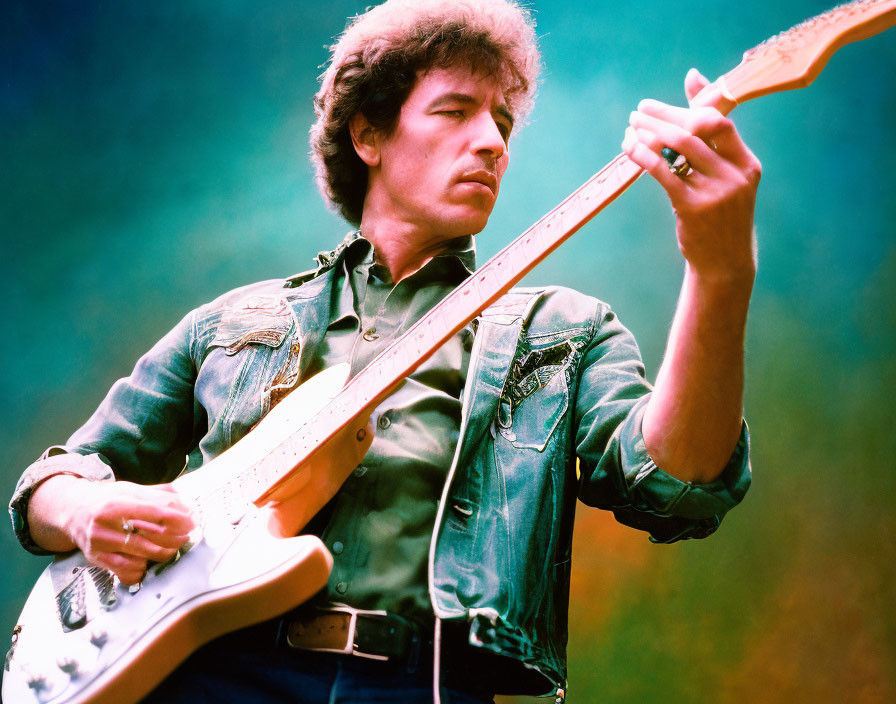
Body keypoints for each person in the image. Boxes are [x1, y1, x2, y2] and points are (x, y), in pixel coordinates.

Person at [8, 0, 758, 701]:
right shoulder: (232, 319)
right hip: (209, 674)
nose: (493, 141)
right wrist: (86, 510)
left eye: (501, 120)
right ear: (368, 135)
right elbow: (51, 482)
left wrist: (720, 272)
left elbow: (675, 488)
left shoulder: (564, 329)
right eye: (456, 112)